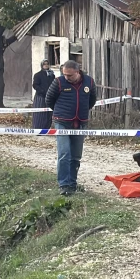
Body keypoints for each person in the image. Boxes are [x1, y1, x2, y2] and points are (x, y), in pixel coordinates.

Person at [45, 60, 97, 196]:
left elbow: (92, 100)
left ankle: (73, 184)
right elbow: (49, 100)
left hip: (80, 123)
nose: (67, 77)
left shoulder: (89, 83)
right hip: (62, 122)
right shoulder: (58, 82)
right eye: (65, 75)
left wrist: (82, 112)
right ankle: (64, 184)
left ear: (77, 72)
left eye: (70, 75)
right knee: (64, 154)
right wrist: (60, 113)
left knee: (75, 156)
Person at [32, 59, 56, 130]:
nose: (46, 65)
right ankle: (38, 129)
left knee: (49, 113)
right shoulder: (38, 75)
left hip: (50, 96)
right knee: (40, 113)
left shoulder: (52, 75)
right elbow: (35, 85)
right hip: (40, 96)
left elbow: (53, 85)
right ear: (42, 65)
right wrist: (42, 91)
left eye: (47, 64)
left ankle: (46, 129)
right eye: (44, 64)